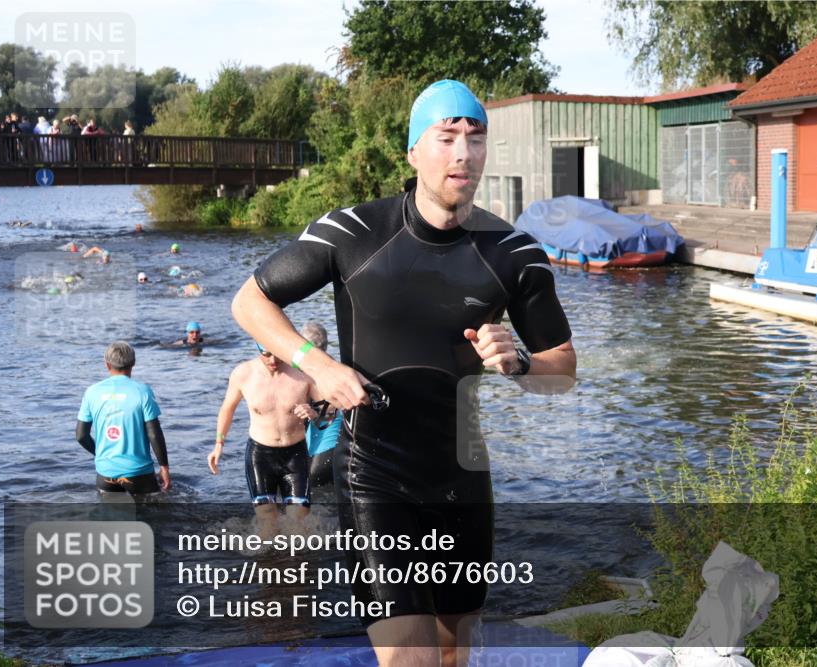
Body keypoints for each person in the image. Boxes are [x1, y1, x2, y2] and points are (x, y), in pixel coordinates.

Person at [231, 79, 576, 667]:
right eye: (446, 137)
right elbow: (250, 302)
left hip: (462, 471)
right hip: (374, 472)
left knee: (454, 651)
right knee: (409, 659)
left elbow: (562, 369)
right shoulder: (353, 233)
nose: (463, 153)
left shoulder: (514, 254)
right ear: (414, 151)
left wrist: (519, 362)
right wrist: (318, 364)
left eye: (475, 138)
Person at [208, 342, 322, 535]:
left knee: (300, 525)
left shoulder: (303, 374)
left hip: (295, 454)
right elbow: (227, 408)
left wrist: (314, 411)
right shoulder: (243, 374)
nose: (273, 360)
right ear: (257, 348)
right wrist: (219, 444)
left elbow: (328, 410)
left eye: (277, 354)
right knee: (267, 523)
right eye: (266, 354)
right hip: (260, 455)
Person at [76, 341, 171, 496]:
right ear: (133, 363)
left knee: (112, 511)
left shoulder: (91, 392)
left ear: (107, 364)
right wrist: (164, 468)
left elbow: (81, 436)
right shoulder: (142, 391)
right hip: (139, 473)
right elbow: (154, 434)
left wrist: (101, 455)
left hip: (105, 474)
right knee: (155, 510)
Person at [291, 321, 342, 489]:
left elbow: (332, 410)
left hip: (329, 442)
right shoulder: (314, 369)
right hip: (319, 441)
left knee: (311, 483)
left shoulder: (326, 373)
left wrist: (313, 414)